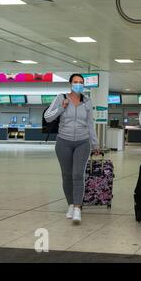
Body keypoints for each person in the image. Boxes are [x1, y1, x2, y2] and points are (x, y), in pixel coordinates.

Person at [44, 74, 100, 224]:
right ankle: (70, 204)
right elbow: (47, 117)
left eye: (81, 82)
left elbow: (90, 125)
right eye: (75, 82)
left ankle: (77, 207)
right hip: (63, 142)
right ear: (70, 84)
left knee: (77, 175)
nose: (78, 85)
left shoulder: (87, 101)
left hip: (82, 142)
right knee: (67, 175)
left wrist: (95, 144)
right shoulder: (60, 98)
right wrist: (61, 108)